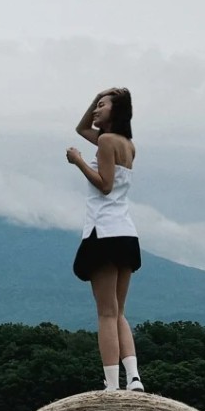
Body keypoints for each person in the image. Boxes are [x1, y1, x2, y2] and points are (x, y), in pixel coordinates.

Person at [66, 87, 144, 393]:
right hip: (126, 233)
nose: (96, 111)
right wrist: (98, 97)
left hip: (104, 232)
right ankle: (133, 378)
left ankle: (111, 385)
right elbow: (82, 127)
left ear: (117, 111)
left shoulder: (106, 142)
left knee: (106, 313)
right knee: (119, 312)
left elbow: (105, 185)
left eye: (102, 106)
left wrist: (79, 161)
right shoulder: (126, 144)